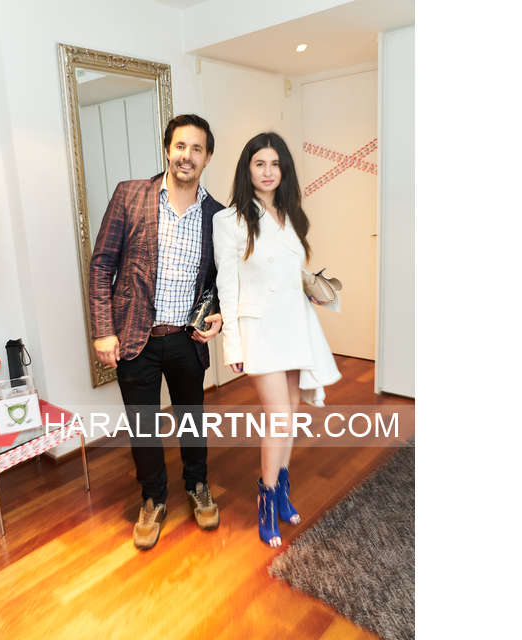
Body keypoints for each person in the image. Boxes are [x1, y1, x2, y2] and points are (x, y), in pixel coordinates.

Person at [89, 114, 225, 551]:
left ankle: (197, 485)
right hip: (136, 338)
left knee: (192, 417)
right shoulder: (130, 195)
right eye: (180, 146)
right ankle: (153, 498)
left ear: (207, 157)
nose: (187, 155)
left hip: (187, 340)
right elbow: (102, 265)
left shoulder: (218, 216)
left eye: (197, 148)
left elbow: (222, 280)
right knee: (143, 426)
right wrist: (103, 330)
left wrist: (218, 314)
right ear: (168, 149)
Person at [213, 132, 342, 547]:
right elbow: (227, 287)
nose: (268, 172)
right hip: (259, 330)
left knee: (291, 412)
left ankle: (282, 490)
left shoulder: (291, 216)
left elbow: (289, 272)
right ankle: (266, 499)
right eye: (259, 164)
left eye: (275, 164)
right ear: (247, 169)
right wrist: (232, 344)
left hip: (293, 325)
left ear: (283, 169)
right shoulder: (229, 221)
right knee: (279, 416)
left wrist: (313, 288)